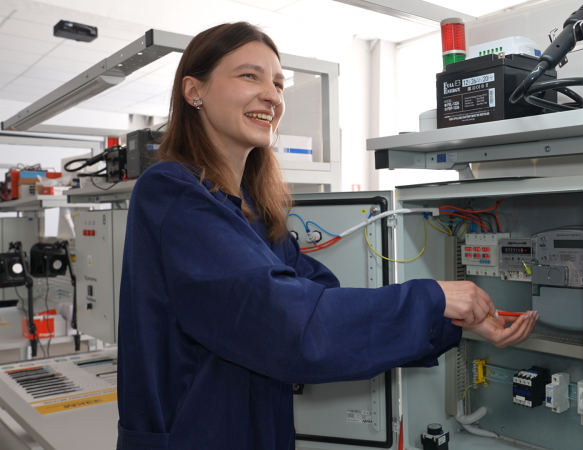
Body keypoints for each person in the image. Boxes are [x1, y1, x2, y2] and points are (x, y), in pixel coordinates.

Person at [116, 22, 538, 450]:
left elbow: (323, 303)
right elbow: (293, 325)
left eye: (278, 83)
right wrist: (434, 299)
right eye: (249, 76)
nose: (272, 96)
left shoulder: (252, 210)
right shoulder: (172, 193)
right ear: (194, 91)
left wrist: (453, 317)